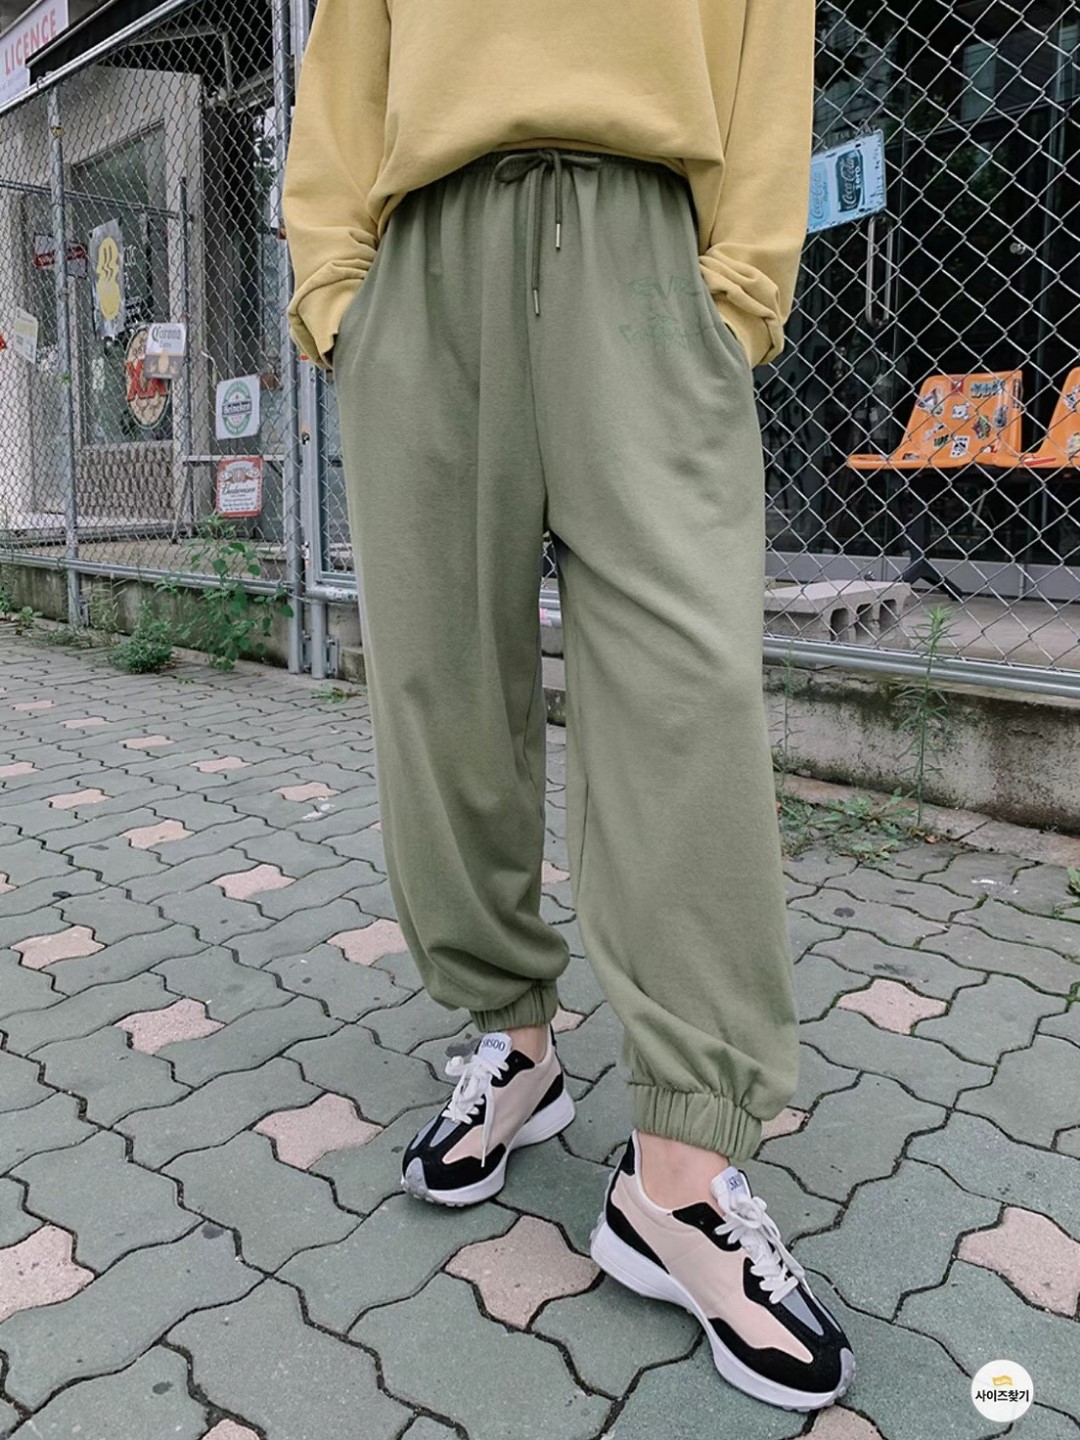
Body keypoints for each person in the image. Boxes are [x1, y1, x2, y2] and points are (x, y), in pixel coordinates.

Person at [283, 0, 855, 1412]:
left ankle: (681, 1175)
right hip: (424, 268)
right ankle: (516, 1042)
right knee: (441, 694)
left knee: (685, 702)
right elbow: (346, 63)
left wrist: (739, 295)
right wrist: (341, 296)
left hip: (644, 254)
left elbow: (766, 52)